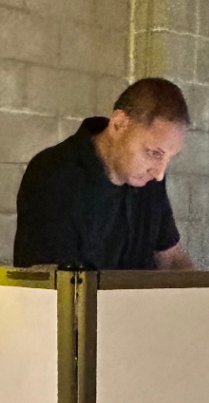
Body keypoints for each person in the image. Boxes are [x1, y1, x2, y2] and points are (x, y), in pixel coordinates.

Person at [12, 77, 196, 270]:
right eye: (153, 153)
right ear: (118, 124)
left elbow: (171, 259)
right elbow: (50, 282)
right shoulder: (53, 173)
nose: (159, 173)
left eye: (169, 158)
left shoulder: (150, 179)